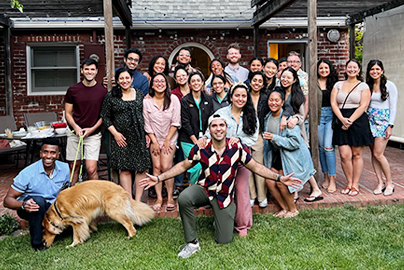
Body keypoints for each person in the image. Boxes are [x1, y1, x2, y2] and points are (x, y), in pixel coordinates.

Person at [139, 114, 302, 259]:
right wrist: (158, 178)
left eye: (221, 125)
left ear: (226, 128)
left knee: (224, 240)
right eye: (214, 125)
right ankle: (192, 243)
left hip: (224, 197)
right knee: (184, 198)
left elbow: (256, 167)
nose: (218, 129)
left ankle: (223, 217)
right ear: (209, 129)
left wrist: (280, 178)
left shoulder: (236, 148)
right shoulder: (201, 148)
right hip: (204, 189)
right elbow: (182, 166)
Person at [202, 83, 259, 236]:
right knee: (222, 190)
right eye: (237, 95)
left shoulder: (251, 115)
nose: (240, 99)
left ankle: (242, 225)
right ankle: (221, 220)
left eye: (243, 96)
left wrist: (237, 140)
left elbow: (252, 138)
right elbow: (211, 132)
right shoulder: (221, 113)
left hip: (241, 159)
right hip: (222, 159)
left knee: (241, 190)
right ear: (231, 97)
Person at [3, 138, 70, 251]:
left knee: (70, 228)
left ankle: (51, 229)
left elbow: (65, 191)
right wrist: (24, 204)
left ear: (58, 155)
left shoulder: (65, 168)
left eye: (52, 152)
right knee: (37, 202)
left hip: (52, 207)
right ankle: (37, 243)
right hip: (30, 207)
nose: (48, 156)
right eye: (45, 152)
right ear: (40, 153)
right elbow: (7, 200)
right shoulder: (27, 173)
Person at [101, 67, 151, 201]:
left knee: (142, 168)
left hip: (139, 136)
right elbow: (105, 117)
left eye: (127, 78)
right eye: (121, 78)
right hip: (121, 138)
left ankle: (138, 200)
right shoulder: (111, 96)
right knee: (125, 169)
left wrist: (147, 133)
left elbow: (145, 115)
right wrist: (115, 134)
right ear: (117, 81)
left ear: (132, 79)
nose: (125, 81)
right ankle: (129, 200)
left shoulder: (140, 94)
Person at [262, 90, 315, 218]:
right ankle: (284, 208)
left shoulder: (289, 121)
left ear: (282, 103)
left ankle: (293, 209)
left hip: (290, 156)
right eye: (271, 100)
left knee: (282, 182)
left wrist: (275, 138)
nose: (273, 103)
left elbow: (295, 142)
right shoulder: (267, 117)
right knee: (269, 181)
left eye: (276, 100)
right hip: (277, 154)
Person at [331, 59, 373, 196]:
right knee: (344, 155)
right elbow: (333, 104)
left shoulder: (363, 86)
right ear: (345, 69)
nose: (352, 69)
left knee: (357, 154)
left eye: (355, 67)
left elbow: (364, 105)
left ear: (359, 70)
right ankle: (349, 182)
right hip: (341, 119)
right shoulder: (338, 84)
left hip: (358, 120)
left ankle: (355, 185)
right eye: (349, 67)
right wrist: (342, 119)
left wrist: (350, 120)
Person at [280, 68, 323, 202]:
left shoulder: (298, 95)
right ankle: (295, 191)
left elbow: (301, 115)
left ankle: (315, 189)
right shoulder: (278, 93)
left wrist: (295, 119)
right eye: (283, 77)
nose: (285, 80)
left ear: (294, 80)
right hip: (282, 133)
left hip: (296, 133)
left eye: (288, 77)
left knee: (303, 161)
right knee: (291, 163)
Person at [65, 58, 107, 186]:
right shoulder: (73, 90)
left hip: (93, 134)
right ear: (82, 71)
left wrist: (92, 129)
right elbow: (68, 113)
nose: (89, 72)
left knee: (91, 168)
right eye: (87, 69)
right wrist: (76, 127)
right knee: (74, 166)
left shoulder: (103, 91)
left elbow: (104, 116)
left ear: (96, 71)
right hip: (74, 133)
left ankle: (96, 197)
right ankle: (73, 198)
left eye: (92, 69)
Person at [143, 73, 181, 211]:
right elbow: (147, 124)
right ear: (152, 85)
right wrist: (154, 141)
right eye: (156, 81)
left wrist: (167, 140)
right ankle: (159, 197)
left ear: (167, 84)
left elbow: (176, 122)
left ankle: (170, 197)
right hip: (154, 138)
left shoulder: (173, 99)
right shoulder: (147, 102)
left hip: (169, 137)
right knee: (157, 167)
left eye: (162, 81)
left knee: (166, 166)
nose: (159, 83)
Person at [366, 60, 397, 196]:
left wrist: (390, 125)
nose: (375, 71)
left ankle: (389, 182)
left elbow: (393, 107)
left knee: (379, 153)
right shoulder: (368, 85)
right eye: (372, 69)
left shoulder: (390, 85)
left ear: (382, 71)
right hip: (369, 120)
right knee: (373, 153)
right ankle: (380, 182)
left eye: (378, 69)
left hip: (383, 122)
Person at [179, 71, 213, 185]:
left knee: (206, 166)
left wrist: (204, 138)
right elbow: (185, 122)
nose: (196, 83)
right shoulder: (185, 100)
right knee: (195, 167)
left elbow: (211, 119)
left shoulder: (208, 99)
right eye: (193, 81)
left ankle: (204, 192)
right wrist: (196, 141)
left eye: (198, 80)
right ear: (190, 84)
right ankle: (194, 191)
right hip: (188, 140)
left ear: (203, 82)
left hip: (205, 139)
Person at [317, 59, 339, 193]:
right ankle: (325, 176)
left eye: (326, 68)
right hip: (318, 116)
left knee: (328, 147)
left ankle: (332, 179)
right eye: (321, 68)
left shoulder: (335, 84)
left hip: (331, 116)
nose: (323, 70)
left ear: (330, 69)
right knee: (320, 148)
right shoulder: (313, 83)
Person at [248, 71, 269, 207]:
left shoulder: (266, 97)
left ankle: (261, 197)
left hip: (260, 135)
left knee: (259, 166)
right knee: (247, 167)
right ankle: (251, 195)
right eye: (254, 80)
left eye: (260, 81)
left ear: (263, 84)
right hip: (244, 134)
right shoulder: (243, 95)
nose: (257, 83)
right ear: (250, 82)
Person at [170, 65, 190, 197]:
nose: (181, 78)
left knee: (192, 157)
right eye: (178, 76)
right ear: (176, 79)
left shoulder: (196, 89)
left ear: (187, 76)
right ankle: (178, 185)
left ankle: (190, 184)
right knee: (180, 157)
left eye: (184, 75)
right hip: (179, 129)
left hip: (193, 129)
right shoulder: (173, 94)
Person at [287, 51, 309, 135]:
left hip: (299, 112)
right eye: (290, 61)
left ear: (300, 64)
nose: (292, 64)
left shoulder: (304, 77)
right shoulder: (283, 75)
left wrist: (302, 117)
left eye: (295, 61)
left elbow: (306, 100)